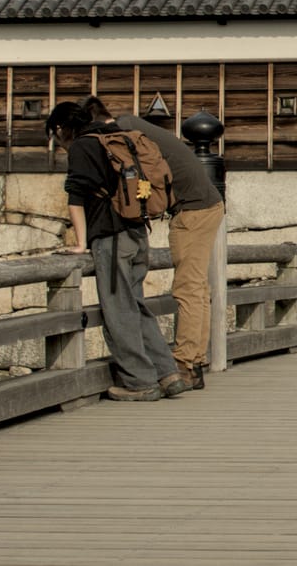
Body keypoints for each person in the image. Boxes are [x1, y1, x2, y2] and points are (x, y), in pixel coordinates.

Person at [48, 101, 185, 401]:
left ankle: (140, 382)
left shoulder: (82, 147)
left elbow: (76, 198)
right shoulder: (116, 136)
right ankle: (167, 373)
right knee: (136, 305)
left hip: (112, 237)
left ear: (61, 129)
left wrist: (81, 244)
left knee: (118, 310)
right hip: (138, 232)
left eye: (55, 135)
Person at [85, 97, 224, 390]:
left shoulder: (125, 135)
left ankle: (185, 363)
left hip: (192, 209)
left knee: (187, 288)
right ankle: (194, 362)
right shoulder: (134, 125)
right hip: (205, 204)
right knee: (197, 288)